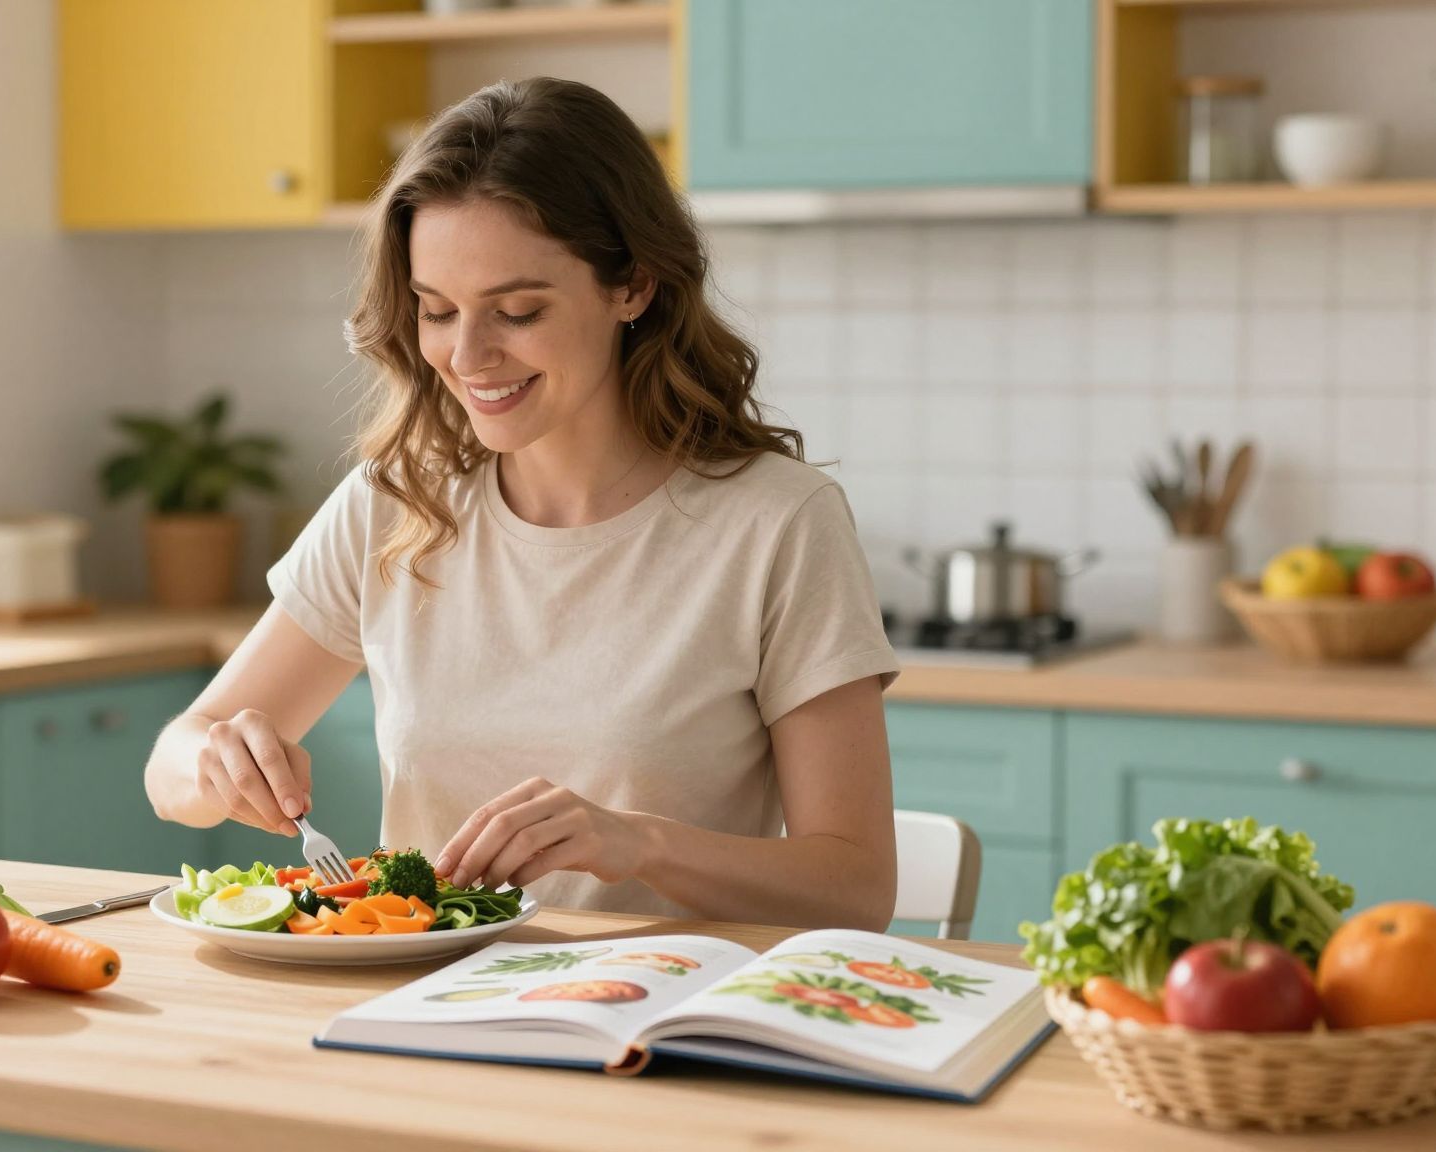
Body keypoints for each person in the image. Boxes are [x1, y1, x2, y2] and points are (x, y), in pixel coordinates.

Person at [143, 77, 900, 929]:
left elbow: (858, 888)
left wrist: (640, 844)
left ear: (634, 287)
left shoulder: (778, 525)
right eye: (436, 311)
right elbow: (172, 774)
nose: (469, 355)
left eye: (517, 310)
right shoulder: (397, 502)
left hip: (655, 1022)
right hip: (423, 1010)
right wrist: (211, 759)